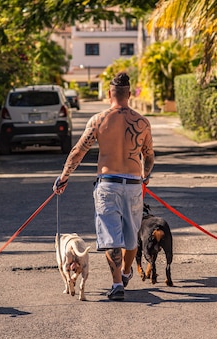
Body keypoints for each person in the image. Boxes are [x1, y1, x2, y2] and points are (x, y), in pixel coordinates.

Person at [52, 72, 155, 301]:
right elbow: (149, 157)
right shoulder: (142, 122)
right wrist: (144, 176)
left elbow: (78, 151)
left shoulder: (99, 120)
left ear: (109, 94)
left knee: (111, 236)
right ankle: (126, 272)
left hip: (108, 185)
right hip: (133, 184)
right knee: (131, 236)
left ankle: (117, 283)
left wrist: (64, 177)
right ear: (129, 94)